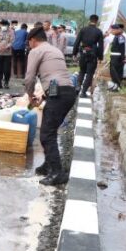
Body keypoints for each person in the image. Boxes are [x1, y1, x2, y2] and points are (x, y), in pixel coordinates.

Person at [25, 27, 77, 186]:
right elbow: (56, 79)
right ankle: (49, 165)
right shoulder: (55, 51)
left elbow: (29, 78)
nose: (30, 46)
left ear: (33, 40)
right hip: (68, 93)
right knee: (51, 130)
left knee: (46, 134)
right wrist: (43, 97)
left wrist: (30, 95)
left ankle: (57, 173)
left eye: (29, 43)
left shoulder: (36, 51)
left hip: (59, 94)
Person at [72, 14, 104, 98]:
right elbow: (101, 46)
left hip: (83, 53)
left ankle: (78, 86)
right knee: (90, 73)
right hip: (93, 55)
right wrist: (100, 57)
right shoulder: (99, 32)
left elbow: (77, 42)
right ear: (97, 21)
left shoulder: (83, 30)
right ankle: (83, 92)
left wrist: (74, 54)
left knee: (82, 71)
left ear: (89, 20)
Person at [104, 24, 126, 91]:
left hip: (118, 57)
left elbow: (123, 48)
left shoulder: (121, 37)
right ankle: (115, 86)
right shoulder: (114, 36)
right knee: (113, 72)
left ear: (118, 30)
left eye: (113, 30)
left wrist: (124, 57)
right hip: (114, 56)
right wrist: (107, 34)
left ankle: (118, 85)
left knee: (115, 72)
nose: (112, 31)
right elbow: (105, 40)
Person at [0, 19, 15, 89]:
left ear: (7, 25)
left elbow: (12, 40)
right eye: (2, 25)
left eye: (5, 25)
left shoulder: (11, 31)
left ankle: (6, 82)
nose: (3, 26)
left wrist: (7, 46)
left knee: (7, 69)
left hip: (7, 54)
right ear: (0, 25)